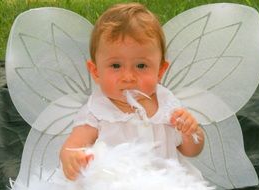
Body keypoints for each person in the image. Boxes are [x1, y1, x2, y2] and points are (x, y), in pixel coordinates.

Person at [60, 2, 205, 181]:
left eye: (141, 65)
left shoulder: (167, 103)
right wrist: (72, 158)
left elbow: (191, 151)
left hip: (166, 182)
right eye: (115, 65)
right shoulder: (97, 110)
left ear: (160, 70)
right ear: (96, 71)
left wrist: (191, 131)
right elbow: (73, 145)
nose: (128, 77)